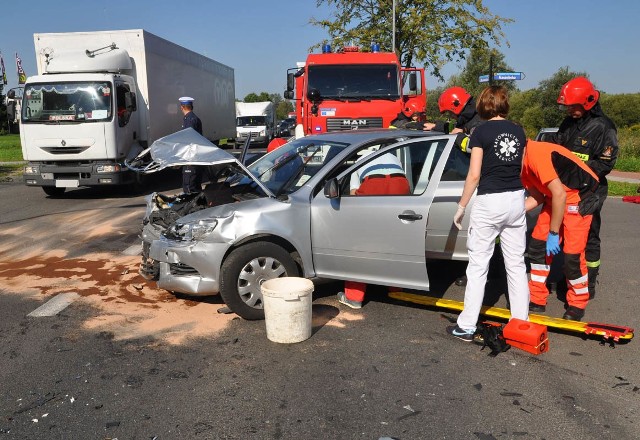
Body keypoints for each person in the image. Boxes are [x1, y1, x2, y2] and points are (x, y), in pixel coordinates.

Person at [446, 85, 529, 342]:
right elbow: (522, 168)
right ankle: (521, 323)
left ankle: (467, 326)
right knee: (515, 264)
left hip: (490, 201)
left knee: (478, 265)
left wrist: (460, 207)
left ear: (484, 105)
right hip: (516, 198)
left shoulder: (480, 132)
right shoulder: (519, 131)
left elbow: (474, 174)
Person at [548, 77, 618, 299]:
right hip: (565, 188)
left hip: (590, 190)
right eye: (567, 107)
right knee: (566, 234)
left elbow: (605, 163)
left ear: (587, 103)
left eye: (573, 107)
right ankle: (571, 273)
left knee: (588, 236)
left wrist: (581, 173)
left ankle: (589, 279)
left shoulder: (603, 127)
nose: (570, 111)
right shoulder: (569, 123)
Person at [522, 140, 600, 321]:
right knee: (538, 248)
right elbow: (538, 196)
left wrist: (554, 233)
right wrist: (512, 212)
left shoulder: (537, 154)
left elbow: (560, 195)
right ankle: (537, 298)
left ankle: (577, 303)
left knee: (572, 256)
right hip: (554, 198)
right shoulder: (519, 164)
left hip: (578, 198)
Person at [337, 150, 410, 309]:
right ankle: (396, 290)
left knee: (360, 244)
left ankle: (354, 297)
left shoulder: (359, 161)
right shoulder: (393, 156)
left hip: (373, 183)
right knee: (394, 241)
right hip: (400, 183)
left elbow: (353, 196)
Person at [179, 96, 204, 194]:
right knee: (195, 185)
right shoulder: (193, 118)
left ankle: (193, 208)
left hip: (191, 158)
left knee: (189, 187)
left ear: (182, 107)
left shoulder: (189, 119)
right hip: (195, 157)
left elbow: (190, 139)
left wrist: (188, 158)